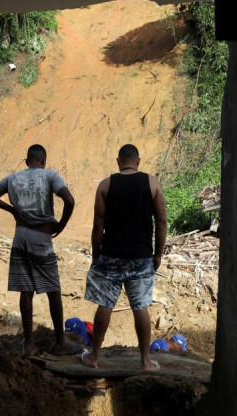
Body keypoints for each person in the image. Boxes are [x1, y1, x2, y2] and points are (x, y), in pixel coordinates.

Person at [0, 144, 80, 356]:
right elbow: (69, 200)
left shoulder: (12, 178)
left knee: (27, 290)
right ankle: (60, 343)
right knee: (53, 289)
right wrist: (61, 225)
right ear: (43, 161)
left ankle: (29, 344)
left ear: (27, 161)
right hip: (41, 237)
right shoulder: (50, 176)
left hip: (20, 236)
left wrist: (11, 209)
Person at [80, 144, 168, 371]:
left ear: (118, 161)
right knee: (140, 306)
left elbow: (98, 224)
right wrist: (158, 253)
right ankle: (145, 361)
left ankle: (94, 357)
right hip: (141, 256)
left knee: (105, 304)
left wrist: (96, 254)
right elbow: (161, 221)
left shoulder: (105, 185)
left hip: (111, 255)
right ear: (138, 161)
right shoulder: (152, 183)